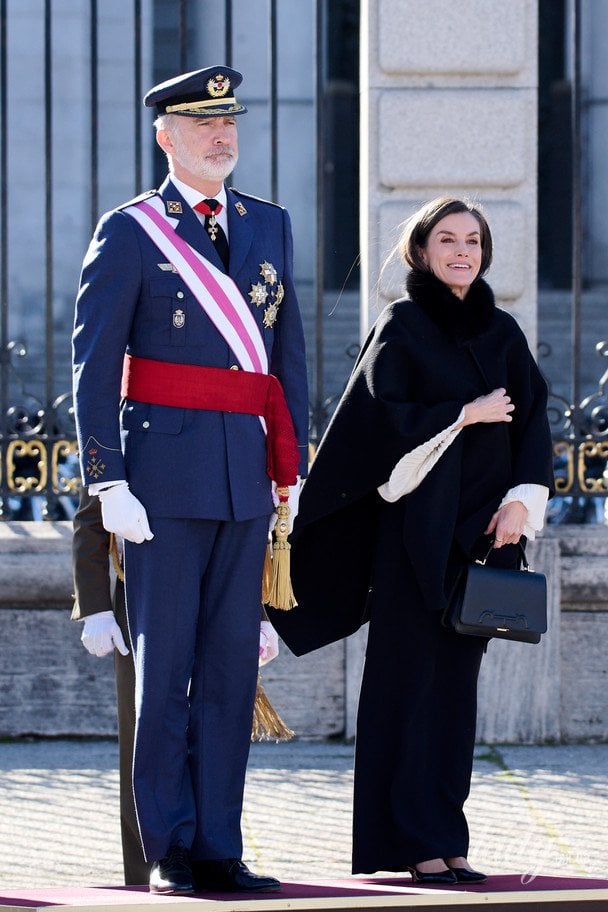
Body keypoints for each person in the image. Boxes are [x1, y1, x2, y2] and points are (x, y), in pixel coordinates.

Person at [72, 65, 308, 895]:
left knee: (229, 677)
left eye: (230, 122)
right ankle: (171, 846)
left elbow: (287, 361)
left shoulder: (269, 226)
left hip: (245, 479)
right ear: (165, 137)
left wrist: (293, 470)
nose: (223, 135)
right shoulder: (133, 230)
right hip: (161, 486)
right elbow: (94, 368)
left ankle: (220, 846)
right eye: (204, 125)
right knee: (164, 675)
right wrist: (108, 482)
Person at [268, 197, 554, 884]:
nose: (462, 252)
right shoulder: (402, 326)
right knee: (405, 689)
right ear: (420, 250)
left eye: (474, 241)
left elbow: (534, 423)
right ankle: (406, 844)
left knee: (456, 696)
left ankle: (448, 839)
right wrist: (463, 414)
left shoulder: (503, 333)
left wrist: (521, 504)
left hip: (483, 541)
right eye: (447, 240)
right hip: (412, 543)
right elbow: (373, 431)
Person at [71, 487, 150, 886]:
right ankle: (145, 871)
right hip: (140, 598)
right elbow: (90, 519)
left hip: (212, 589)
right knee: (143, 743)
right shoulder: (119, 421)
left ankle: (213, 857)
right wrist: (97, 609)